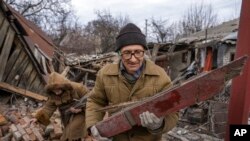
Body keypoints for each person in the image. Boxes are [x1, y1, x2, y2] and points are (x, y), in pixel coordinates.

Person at [86, 23, 179, 141]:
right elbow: (95, 101)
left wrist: (159, 125)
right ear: (119, 53)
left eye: (138, 52)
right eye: (127, 53)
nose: (133, 59)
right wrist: (93, 124)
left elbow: (173, 111)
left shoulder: (160, 76)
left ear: (144, 52)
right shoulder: (105, 74)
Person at [32, 72, 89, 141]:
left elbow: (91, 99)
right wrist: (37, 118)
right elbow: (48, 108)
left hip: (81, 113)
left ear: (63, 86)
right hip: (66, 115)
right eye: (54, 90)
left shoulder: (77, 87)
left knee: (72, 131)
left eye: (58, 89)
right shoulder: (53, 95)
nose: (56, 92)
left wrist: (81, 109)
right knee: (65, 135)